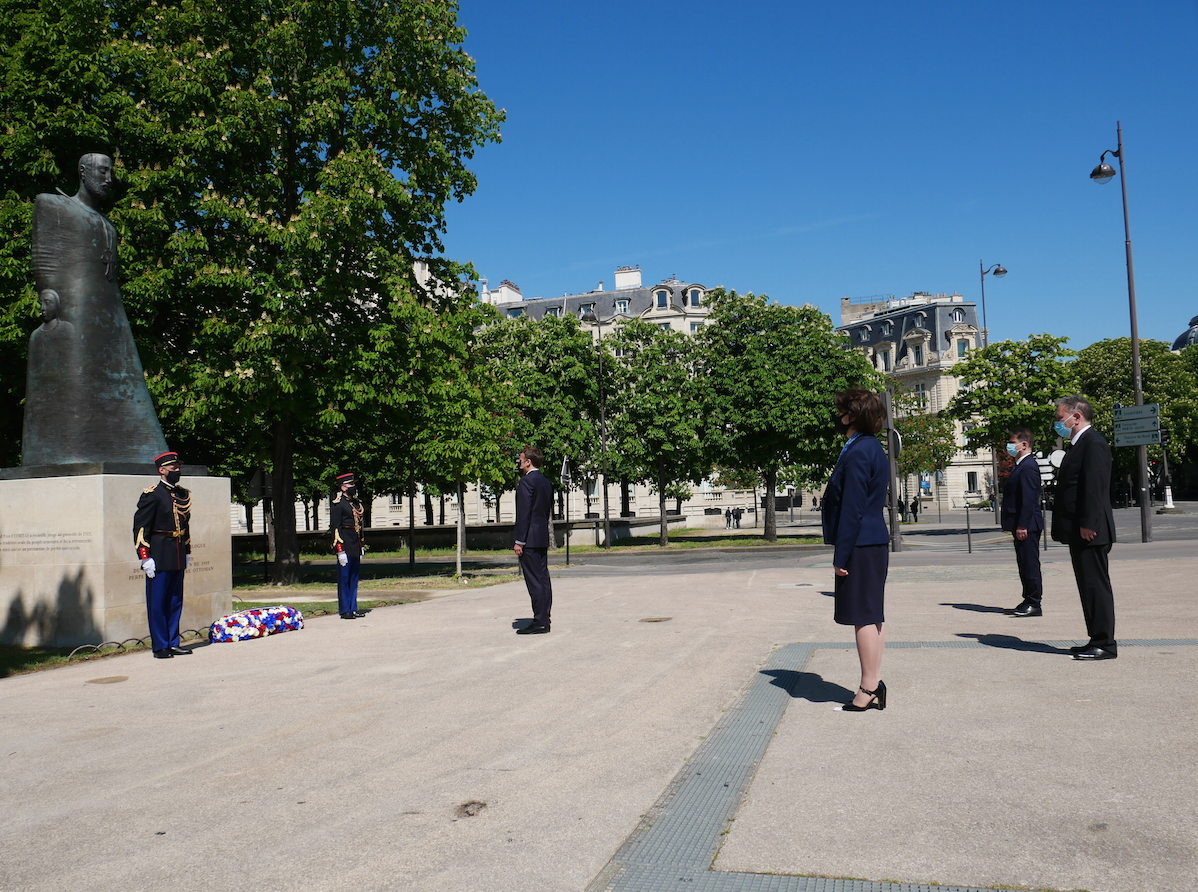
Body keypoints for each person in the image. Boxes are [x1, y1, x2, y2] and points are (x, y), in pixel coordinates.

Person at [822, 388, 891, 711]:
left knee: (863, 617)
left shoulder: (860, 450)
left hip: (861, 543)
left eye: (841, 411)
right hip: (871, 540)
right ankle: (873, 682)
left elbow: (852, 507)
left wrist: (841, 554)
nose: (837, 416)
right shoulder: (868, 447)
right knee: (872, 615)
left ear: (853, 415)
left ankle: (868, 687)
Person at [1051, 395, 1117, 660]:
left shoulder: (1094, 443)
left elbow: (1094, 487)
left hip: (1090, 531)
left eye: (1060, 418)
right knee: (1087, 587)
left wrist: (1089, 523)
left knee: (1095, 587)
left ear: (1076, 417)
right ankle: (1095, 639)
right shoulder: (1079, 445)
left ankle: (1105, 643)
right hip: (1080, 530)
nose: (1058, 424)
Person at [133, 452, 192, 659]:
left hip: (176, 553)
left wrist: (187, 551)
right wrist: (145, 556)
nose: (177, 471)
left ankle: (173, 642)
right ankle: (160, 646)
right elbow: (141, 528)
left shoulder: (182, 494)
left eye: (178, 468)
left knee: (175, 600)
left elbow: (185, 526)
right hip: (159, 554)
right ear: (162, 470)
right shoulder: (152, 494)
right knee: (158, 602)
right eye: (173, 468)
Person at [1002, 428, 1045, 617]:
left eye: (1012, 442)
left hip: (1027, 525)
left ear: (1024, 444)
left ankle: (1034, 602)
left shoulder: (1028, 466)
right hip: (1021, 523)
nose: (1010, 446)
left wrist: (1023, 525)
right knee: (1023, 563)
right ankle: (1028, 598)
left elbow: (1028, 499)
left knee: (1030, 564)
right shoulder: (1020, 465)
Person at [514, 446, 553, 633]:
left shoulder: (526, 483)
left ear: (528, 462)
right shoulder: (545, 482)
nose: (520, 463)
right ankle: (545, 617)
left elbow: (524, 514)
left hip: (529, 539)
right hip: (542, 536)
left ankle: (539, 621)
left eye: (521, 460)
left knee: (534, 581)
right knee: (543, 579)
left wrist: (519, 540)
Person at [330, 472, 366, 620]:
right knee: (344, 578)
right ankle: (345, 610)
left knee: (354, 578)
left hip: (355, 544)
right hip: (344, 543)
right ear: (343, 487)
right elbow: (335, 528)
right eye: (350, 484)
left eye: (353, 484)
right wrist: (340, 551)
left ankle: (353, 607)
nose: (353, 486)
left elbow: (360, 526)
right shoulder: (339, 504)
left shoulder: (356, 503)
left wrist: (362, 544)